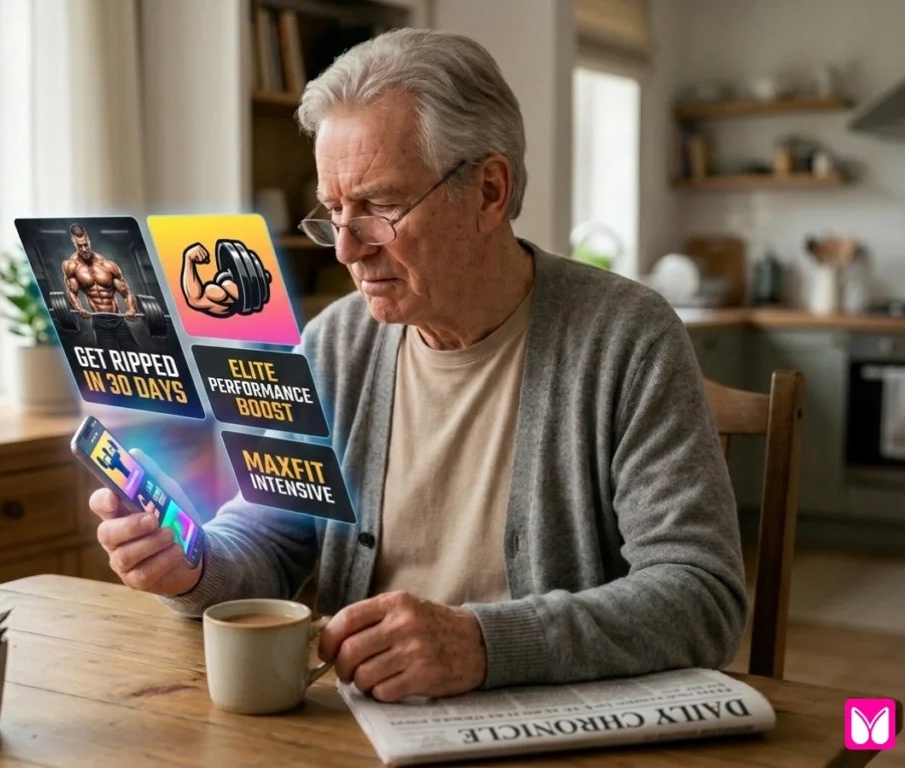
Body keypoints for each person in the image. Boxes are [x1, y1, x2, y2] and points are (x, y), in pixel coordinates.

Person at [89, 28, 747, 703]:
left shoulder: (627, 337)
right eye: (334, 210)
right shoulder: (333, 344)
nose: (346, 249)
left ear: (490, 191)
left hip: (553, 730)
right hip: (365, 725)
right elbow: (270, 538)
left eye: (378, 206)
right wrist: (193, 565)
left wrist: (483, 646)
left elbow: (701, 597)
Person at [62, 223, 141, 351]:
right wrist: (79, 308)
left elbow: (126, 293)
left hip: (118, 319)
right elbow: (71, 291)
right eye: (79, 246)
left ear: (89, 240)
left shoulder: (107, 265)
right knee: (108, 360)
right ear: (73, 242)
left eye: (85, 244)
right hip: (100, 322)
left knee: (134, 355)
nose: (84, 249)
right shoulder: (71, 266)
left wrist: (131, 309)